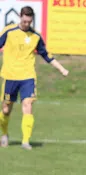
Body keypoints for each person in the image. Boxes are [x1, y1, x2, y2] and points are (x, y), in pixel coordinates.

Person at [0, 6, 69, 150]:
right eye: (24, 21)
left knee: (28, 105)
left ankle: (26, 141)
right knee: (6, 110)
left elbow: (46, 55)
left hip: (27, 77)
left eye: (29, 22)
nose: (26, 24)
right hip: (10, 76)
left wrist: (61, 68)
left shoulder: (36, 36)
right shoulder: (8, 31)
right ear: (20, 17)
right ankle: (4, 134)